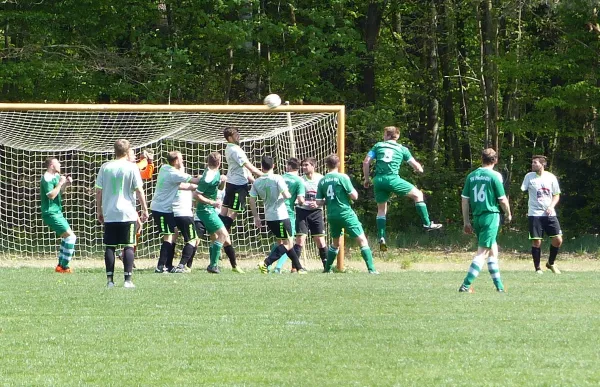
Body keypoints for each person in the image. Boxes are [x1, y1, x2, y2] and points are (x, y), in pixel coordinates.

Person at [362, 126, 442, 251]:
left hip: (378, 180)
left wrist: (366, 179)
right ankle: (427, 223)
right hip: (393, 179)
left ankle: (381, 237)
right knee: (418, 195)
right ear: (397, 136)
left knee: (381, 210)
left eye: (384, 134)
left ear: (388, 136)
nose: (383, 137)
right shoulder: (402, 149)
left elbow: (366, 162)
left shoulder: (378, 146)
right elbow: (415, 165)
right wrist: (419, 169)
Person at [95, 139, 149, 288]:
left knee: (110, 246)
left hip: (110, 212)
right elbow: (139, 190)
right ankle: (127, 281)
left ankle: (110, 281)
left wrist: (99, 210)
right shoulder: (131, 168)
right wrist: (145, 209)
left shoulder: (105, 167)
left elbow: (98, 190)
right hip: (127, 213)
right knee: (129, 246)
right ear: (127, 151)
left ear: (114, 150)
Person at [458, 148, 511, 293]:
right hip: (490, 215)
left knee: (493, 250)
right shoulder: (494, 176)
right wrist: (508, 213)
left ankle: (499, 287)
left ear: (481, 159)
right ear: (495, 160)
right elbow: (502, 200)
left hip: (477, 217)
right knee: (482, 252)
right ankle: (465, 285)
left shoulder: (472, 176)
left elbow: (464, 200)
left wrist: (466, 221)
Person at [317, 154, 378, 274]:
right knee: (362, 240)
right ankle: (371, 269)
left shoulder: (322, 180)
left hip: (332, 214)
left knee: (335, 243)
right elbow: (354, 196)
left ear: (326, 165)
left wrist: (328, 201)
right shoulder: (342, 177)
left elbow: (318, 202)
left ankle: (327, 269)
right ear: (338, 164)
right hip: (345, 213)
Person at [249, 156, 306, 274]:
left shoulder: (257, 181)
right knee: (288, 243)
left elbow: (252, 200)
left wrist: (256, 217)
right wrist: (289, 196)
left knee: (287, 242)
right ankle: (265, 263)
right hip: (280, 215)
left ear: (262, 167)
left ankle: (299, 268)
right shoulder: (277, 178)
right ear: (273, 166)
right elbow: (286, 195)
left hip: (269, 217)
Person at [150, 151, 200, 273]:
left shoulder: (164, 168)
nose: (183, 161)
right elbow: (195, 181)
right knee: (169, 237)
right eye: (181, 159)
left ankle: (167, 265)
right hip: (161, 209)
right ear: (176, 161)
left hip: (165, 209)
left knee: (173, 234)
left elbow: (185, 185)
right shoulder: (174, 174)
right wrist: (212, 176)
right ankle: (162, 267)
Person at [194, 152, 239, 274]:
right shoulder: (208, 177)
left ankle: (213, 265)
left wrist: (222, 181)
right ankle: (213, 265)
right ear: (219, 163)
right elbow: (196, 194)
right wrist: (211, 202)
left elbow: (218, 188)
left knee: (215, 236)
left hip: (210, 210)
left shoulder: (215, 173)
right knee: (223, 235)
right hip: (206, 211)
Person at [521, 155, 563, 274]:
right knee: (537, 242)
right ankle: (538, 268)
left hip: (549, 213)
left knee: (558, 240)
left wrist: (551, 206)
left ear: (542, 164)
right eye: (532, 162)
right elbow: (523, 189)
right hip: (534, 214)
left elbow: (556, 194)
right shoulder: (529, 177)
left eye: (535, 163)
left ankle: (550, 263)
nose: (533, 164)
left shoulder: (551, 177)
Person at [219, 127, 264, 230]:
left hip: (231, 183)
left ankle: (217, 233)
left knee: (224, 211)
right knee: (233, 213)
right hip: (238, 186)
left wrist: (253, 180)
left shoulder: (229, 148)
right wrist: (266, 176)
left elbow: (243, 169)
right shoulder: (235, 150)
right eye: (236, 135)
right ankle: (221, 235)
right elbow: (249, 167)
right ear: (230, 138)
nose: (238, 136)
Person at [40, 157, 76, 273]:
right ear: (51, 165)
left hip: (57, 212)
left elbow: (59, 192)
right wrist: (61, 183)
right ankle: (63, 266)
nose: (60, 164)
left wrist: (65, 184)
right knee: (71, 237)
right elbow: (51, 195)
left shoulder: (55, 176)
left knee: (68, 237)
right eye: (58, 163)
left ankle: (61, 266)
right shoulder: (46, 178)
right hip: (50, 213)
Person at [291, 157, 328, 269]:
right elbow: (295, 197)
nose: (304, 167)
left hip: (316, 212)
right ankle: (295, 268)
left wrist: (318, 204)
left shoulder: (321, 179)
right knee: (300, 239)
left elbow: (328, 197)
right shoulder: (300, 180)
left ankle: (327, 267)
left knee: (320, 241)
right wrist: (300, 202)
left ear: (313, 166)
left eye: (306, 165)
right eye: (303, 165)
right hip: (302, 212)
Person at [272, 157, 306, 273]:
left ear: (289, 166)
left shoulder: (280, 177)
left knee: (280, 241)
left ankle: (268, 266)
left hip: (275, 212)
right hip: (288, 213)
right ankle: (277, 267)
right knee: (289, 242)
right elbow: (301, 200)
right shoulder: (299, 180)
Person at [170, 163, 199, 273]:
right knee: (192, 240)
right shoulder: (186, 180)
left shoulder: (170, 180)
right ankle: (181, 265)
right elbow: (196, 185)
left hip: (172, 213)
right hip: (184, 214)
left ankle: (167, 264)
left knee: (171, 238)